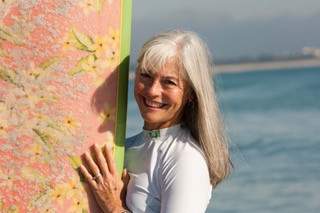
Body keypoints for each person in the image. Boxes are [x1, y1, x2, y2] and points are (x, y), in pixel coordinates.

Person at [80, 29, 232, 213]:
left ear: (190, 93)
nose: (152, 90)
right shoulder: (125, 147)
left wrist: (113, 207)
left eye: (169, 82)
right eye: (146, 75)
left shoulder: (185, 159)